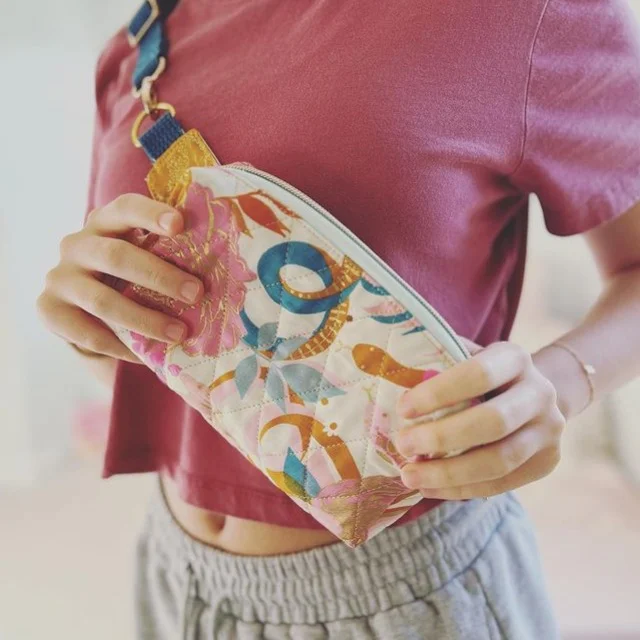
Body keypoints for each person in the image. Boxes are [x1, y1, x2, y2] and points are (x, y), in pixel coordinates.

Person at [38, 0, 640, 637]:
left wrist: (558, 384)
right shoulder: (141, 43)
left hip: (409, 593)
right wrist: (93, 329)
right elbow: (196, 370)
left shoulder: (530, 14)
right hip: (174, 573)